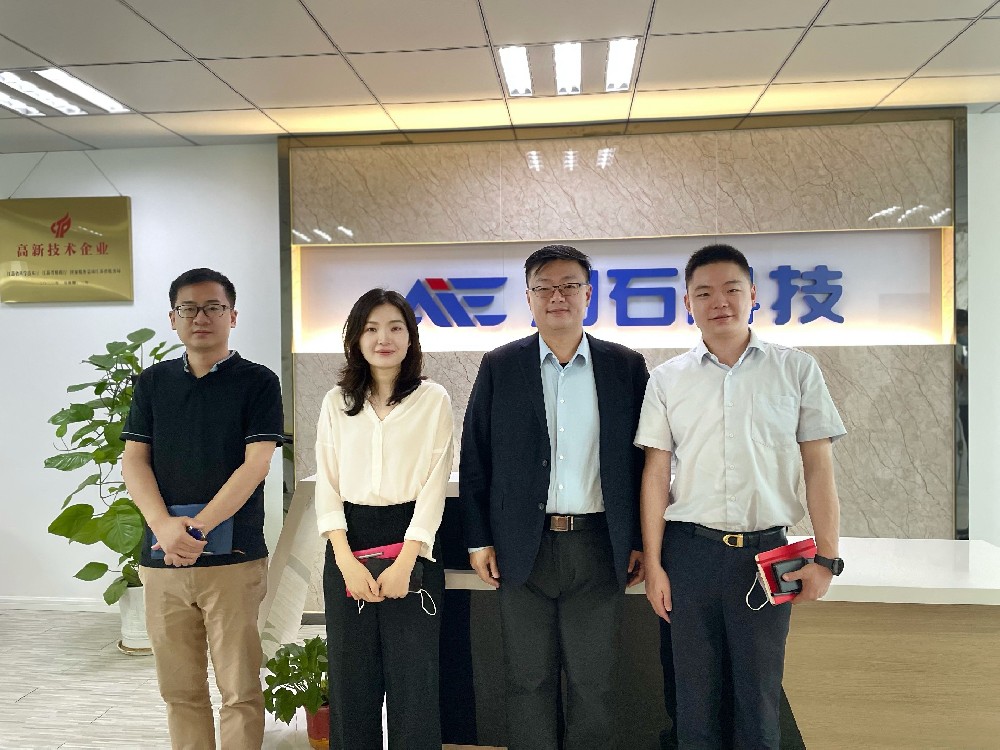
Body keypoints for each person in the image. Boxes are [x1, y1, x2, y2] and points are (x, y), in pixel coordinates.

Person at [635, 243, 846, 749]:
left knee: (759, 700)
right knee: (693, 701)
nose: (719, 302)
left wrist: (827, 558)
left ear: (752, 294)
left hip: (767, 556)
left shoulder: (796, 370)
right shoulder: (666, 380)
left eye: (731, 289)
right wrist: (656, 565)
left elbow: (818, 468)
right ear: (688, 303)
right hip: (690, 556)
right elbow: (655, 476)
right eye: (704, 293)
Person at [461, 244, 648, 749]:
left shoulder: (625, 367)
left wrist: (638, 540)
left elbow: (644, 463)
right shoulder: (501, 365)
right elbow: (475, 456)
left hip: (599, 545)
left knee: (595, 682)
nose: (557, 296)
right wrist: (478, 539)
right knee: (527, 680)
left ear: (589, 294)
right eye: (544, 287)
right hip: (522, 547)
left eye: (569, 286)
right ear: (529, 298)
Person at [121, 268, 284, 749]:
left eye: (213, 307)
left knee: (240, 690)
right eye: (188, 308)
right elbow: (134, 460)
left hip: (233, 562)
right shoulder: (153, 383)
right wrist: (163, 526)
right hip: (163, 559)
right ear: (172, 318)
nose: (201, 317)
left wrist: (195, 530)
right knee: (179, 691)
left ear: (232, 316)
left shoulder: (258, 382)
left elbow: (256, 465)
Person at [315, 288, 454, 750]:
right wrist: (345, 563)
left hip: (412, 543)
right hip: (348, 543)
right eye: (371, 329)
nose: (383, 338)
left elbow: (434, 486)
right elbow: (327, 484)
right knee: (351, 681)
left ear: (411, 337)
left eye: (395, 327)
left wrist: (406, 563)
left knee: (415, 682)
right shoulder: (336, 402)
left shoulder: (433, 399)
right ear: (356, 338)